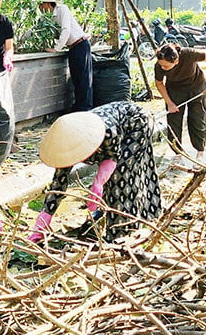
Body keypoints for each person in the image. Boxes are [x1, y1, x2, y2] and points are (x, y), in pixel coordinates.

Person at [28, 101, 162, 242]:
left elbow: (113, 157)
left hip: (136, 124)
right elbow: (58, 183)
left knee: (120, 177)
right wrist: (44, 217)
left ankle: (122, 233)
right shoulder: (66, 146)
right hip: (114, 137)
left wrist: (98, 183)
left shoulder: (106, 131)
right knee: (113, 181)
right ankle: (104, 216)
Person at [154, 43, 206, 160]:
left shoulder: (189, 54)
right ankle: (178, 153)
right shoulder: (159, 65)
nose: (163, 68)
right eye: (161, 65)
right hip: (175, 89)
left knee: (198, 118)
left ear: (177, 61)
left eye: (166, 66)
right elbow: (159, 83)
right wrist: (169, 103)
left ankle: (200, 152)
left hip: (197, 86)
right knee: (173, 120)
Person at [38, 0, 93, 112]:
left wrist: (56, 48)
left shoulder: (62, 10)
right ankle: (79, 107)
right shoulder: (46, 17)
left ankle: (85, 109)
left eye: (41, 5)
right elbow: (35, 29)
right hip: (72, 48)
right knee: (76, 78)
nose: (39, 8)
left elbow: (66, 30)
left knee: (83, 79)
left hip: (81, 45)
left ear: (47, 4)